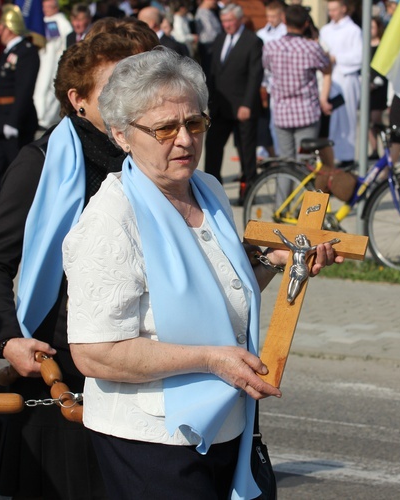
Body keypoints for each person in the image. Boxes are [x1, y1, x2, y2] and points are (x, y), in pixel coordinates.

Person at [61, 47, 342, 500]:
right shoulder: (110, 219)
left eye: (194, 123)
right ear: (121, 135)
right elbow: (95, 353)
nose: (185, 140)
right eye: (164, 128)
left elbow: (224, 288)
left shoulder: (207, 188)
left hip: (226, 423)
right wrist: (211, 358)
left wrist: (280, 262)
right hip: (152, 440)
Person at [0, 27, 160, 500]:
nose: (131, 99)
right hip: (58, 370)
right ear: (78, 99)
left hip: (138, 364)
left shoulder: (152, 160)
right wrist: (8, 339)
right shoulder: (40, 163)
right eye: (115, 88)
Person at [0, 5, 39, 229]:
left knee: (17, 172)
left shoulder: (26, 51)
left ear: (9, 28)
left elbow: (24, 89)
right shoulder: (6, 52)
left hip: (14, 121)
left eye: (2, 27)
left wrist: (13, 120)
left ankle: (20, 219)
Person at [205, 4, 263, 191]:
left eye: (230, 21)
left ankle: (248, 191)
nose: (227, 25)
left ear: (239, 20)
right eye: (223, 21)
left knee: (246, 153)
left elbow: (255, 75)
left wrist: (247, 104)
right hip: (221, 107)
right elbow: (214, 71)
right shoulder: (220, 38)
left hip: (242, 107)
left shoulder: (252, 41)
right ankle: (212, 190)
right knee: (213, 148)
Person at [262, 4, 331, 160]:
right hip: (306, 111)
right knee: (305, 162)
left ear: (284, 20)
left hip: (281, 111)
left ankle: (283, 185)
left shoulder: (271, 47)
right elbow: (327, 69)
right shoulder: (311, 48)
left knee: (286, 161)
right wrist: (324, 98)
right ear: (306, 23)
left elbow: (267, 68)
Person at [319, 0, 362, 165]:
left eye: (334, 10)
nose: (331, 13)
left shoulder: (354, 30)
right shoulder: (326, 30)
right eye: (329, 10)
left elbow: (359, 57)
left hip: (345, 79)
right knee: (330, 121)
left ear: (344, 9)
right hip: (328, 80)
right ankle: (330, 155)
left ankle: (346, 156)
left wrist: (336, 58)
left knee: (346, 119)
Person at [34, 0, 72, 130]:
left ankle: (46, 118)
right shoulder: (41, 20)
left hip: (53, 61)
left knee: (50, 88)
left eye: (49, 7)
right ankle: (39, 114)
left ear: (55, 8)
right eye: (44, 7)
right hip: (42, 60)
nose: (46, 10)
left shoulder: (61, 22)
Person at [256, 0, 286, 158]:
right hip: (265, 82)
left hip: (280, 81)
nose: (270, 19)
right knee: (266, 119)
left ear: (281, 15)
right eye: (268, 16)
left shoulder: (285, 33)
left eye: (274, 16)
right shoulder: (261, 34)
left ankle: (279, 150)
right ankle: (266, 149)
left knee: (277, 119)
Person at [369, 16, 387, 160]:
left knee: (376, 119)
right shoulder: (364, 45)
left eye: (373, 27)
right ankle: (374, 149)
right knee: (368, 121)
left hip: (379, 88)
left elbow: (385, 67)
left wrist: (376, 82)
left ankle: (385, 144)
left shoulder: (383, 45)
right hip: (367, 88)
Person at [195, 0, 221, 79]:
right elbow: (210, 32)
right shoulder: (201, 13)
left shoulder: (210, 12)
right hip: (208, 47)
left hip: (214, 45)